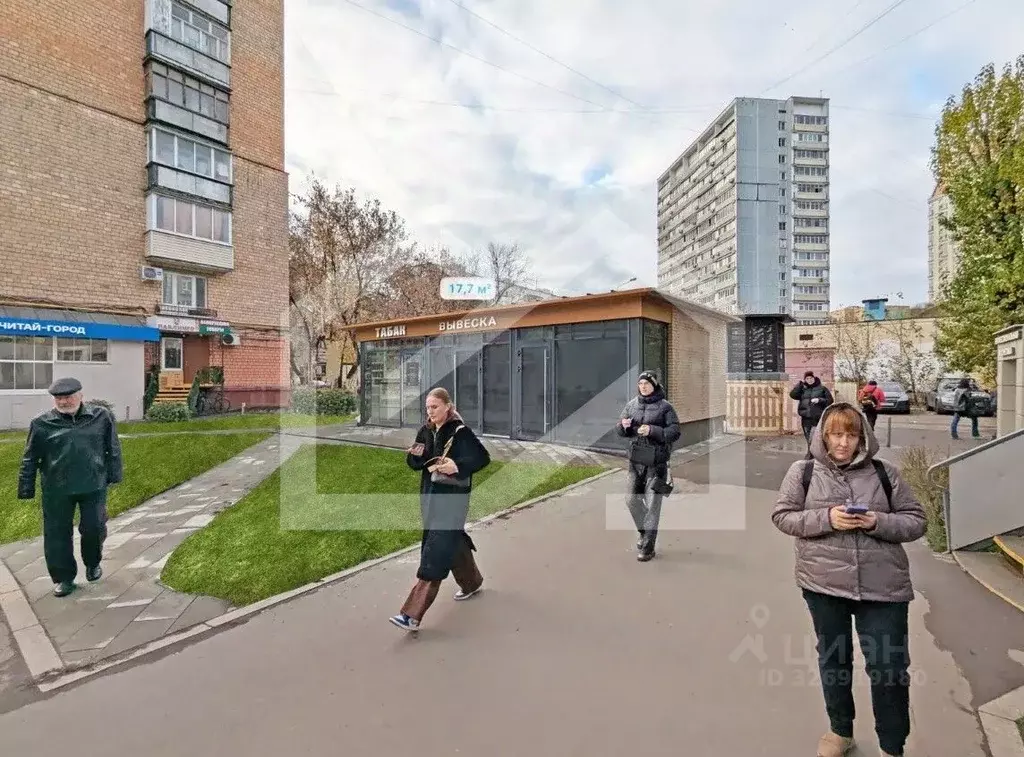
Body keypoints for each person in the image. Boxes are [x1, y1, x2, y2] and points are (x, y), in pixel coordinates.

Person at [771, 402, 927, 757]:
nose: (843, 442)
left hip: (883, 587)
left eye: (851, 435)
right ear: (823, 436)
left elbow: (916, 521)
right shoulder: (804, 471)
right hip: (823, 584)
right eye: (836, 434)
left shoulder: (885, 473)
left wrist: (877, 522)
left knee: (888, 666)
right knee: (834, 659)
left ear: (862, 437)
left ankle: (892, 745)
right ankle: (841, 731)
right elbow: (783, 516)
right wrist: (827, 518)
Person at [390, 387, 492, 631]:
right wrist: (417, 454)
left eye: (435, 407)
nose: (430, 411)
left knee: (435, 550)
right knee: (451, 540)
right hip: (429, 498)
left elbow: (483, 458)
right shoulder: (425, 431)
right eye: (427, 407)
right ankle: (472, 583)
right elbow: (415, 463)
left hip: (453, 500)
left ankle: (411, 615)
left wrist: (455, 465)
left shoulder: (461, 432)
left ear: (448, 406)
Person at [17, 377, 123, 597]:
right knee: (56, 534)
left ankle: (93, 562)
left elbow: (112, 448)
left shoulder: (101, 417)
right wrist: (26, 487)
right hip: (56, 489)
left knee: (94, 528)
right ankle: (64, 578)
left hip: (93, 484)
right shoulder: (41, 423)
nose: (63, 402)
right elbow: (30, 457)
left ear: (80, 396)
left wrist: (114, 475)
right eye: (59, 398)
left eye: (68, 397)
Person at [616, 370, 680, 562]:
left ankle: (648, 547)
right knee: (631, 500)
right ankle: (645, 532)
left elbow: (675, 431)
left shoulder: (665, 407)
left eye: (647, 383)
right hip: (635, 462)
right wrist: (623, 426)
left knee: (652, 505)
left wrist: (653, 430)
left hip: (656, 464)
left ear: (654, 385)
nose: (643, 387)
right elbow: (620, 430)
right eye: (640, 384)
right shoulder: (631, 405)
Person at [790, 371, 834, 448]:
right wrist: (799, 385)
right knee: (808, 438)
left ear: (814, 378)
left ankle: (818, 454)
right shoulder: (803, 390)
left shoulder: (822, 388)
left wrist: (819, 400)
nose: (809, 380)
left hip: (817, 417)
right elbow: (793, 395)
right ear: (805, 380)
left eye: (811, 378)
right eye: (807, 378)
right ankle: (810, 454)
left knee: (817, 438)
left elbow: (830, 400)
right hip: (806, 418)